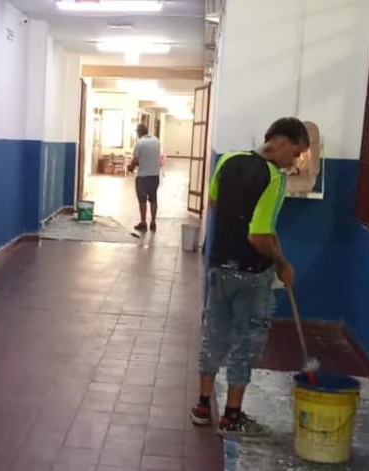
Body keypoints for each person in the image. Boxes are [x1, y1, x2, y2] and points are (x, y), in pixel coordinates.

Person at [189, 117, 310, 437]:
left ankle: (202, 406)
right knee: (246, 342)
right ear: (281, 142)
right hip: (252, 273)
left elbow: (214, 202)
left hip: (219, 267)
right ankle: (231, 417)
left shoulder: (227, 160)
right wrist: (282, 263)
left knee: (214, 335)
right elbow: (258, 236)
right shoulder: (273, 177)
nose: (294, 162)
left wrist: (237, 225)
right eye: (296, 153)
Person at [128, 124, 161, 232]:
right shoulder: (156, 140)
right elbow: (151, 157)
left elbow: (135, 160)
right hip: (155, 176)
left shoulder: (140, 142)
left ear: (139, 132)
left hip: (143, 177)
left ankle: (143, 222)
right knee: (153, 199)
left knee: (142, 201)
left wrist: (131, 167)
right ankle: (153, 222)